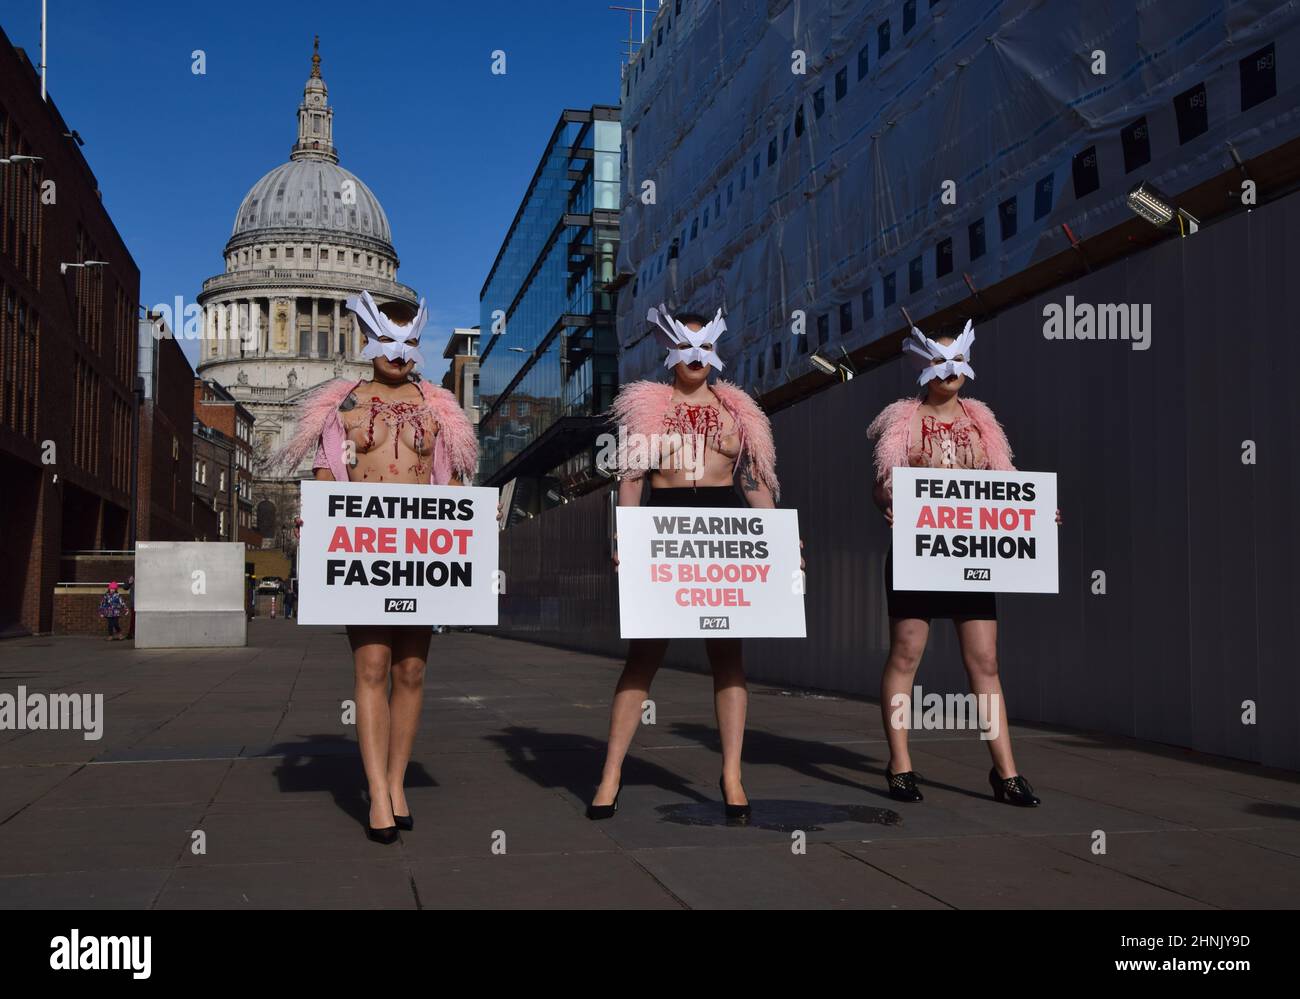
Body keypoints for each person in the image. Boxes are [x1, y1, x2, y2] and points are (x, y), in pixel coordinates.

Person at [277, 290, 477, 844]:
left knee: (411, 670)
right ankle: (376, 793)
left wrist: (462, 537)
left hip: (420, 552)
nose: (399, 351)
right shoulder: (340, 407)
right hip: (364, 547)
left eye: (410, 340)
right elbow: (325, 476)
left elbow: (451, 482)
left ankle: (396, 781)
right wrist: (317, 530)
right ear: (366, 338)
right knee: (372, 666)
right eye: (388, 337)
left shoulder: (439, 409)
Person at [587, 304, 782, 823]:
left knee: (728, 658)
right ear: (670, 351)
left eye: (704, 346)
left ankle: (732, 774)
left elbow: (753, 480)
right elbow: (630, 478)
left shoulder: (738, 411)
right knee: (643, 657)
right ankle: (611, 773)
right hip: (664, 525)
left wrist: (784, 537)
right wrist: (623, 537)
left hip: (724, 526)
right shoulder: (649, 409)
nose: (695, 356)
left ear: (715, 352)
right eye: (686, 346)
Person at [867, 320, 1058, 807]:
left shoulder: (983, 423)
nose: (947, 370)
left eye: (956, 359)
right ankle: (901, 763)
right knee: (907, 653)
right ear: (921, 365)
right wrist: (886, 497)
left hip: (972, 556)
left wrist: (1035, 513)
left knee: (986, 660)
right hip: (920, 554)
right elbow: (881, 486)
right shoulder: (901, 422)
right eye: (937, 359)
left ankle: (1006, 771)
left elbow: (1004, 484)